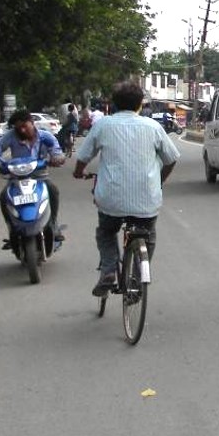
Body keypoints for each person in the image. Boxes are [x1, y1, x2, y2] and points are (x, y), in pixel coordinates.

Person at [73, 81, 179, 296]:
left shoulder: (103, 125)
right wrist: (158, 182)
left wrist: (78, 172)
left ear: (114, 104)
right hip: (146, 199)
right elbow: (171, 158)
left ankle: (109, 270)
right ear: (141, 103)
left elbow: (83, 157)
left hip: (111, 200)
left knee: (106, 232)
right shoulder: (153, 127)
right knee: (148, 234)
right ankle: (138, 278)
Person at [0, 109, 66, 248]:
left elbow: (57, 151)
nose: (23, 130)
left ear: (32, 122)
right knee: (3, 197)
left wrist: (57, 159)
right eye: (19, 128)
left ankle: (53, 225)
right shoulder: (11, 136)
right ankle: (12, 230)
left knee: (53, 191)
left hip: (40, 177)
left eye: (25, 126)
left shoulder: (45, 136)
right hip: (16, 179)